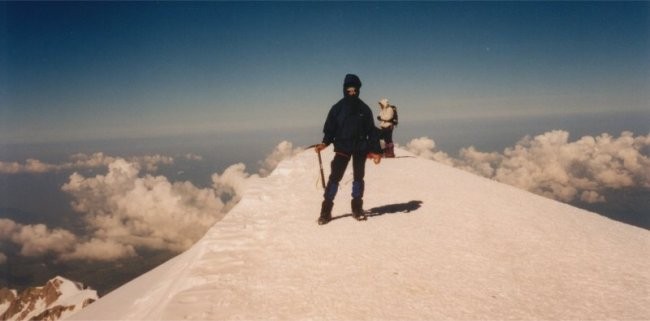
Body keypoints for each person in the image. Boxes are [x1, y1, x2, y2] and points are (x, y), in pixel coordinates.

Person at [314, 74, 382, 225]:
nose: (352, 93)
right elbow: (330, 129)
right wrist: (325, 143)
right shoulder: (337, 108)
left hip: (360, 148)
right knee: (335, 178)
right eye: (349, 90)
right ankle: (325, 211)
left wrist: (376, 151)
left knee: (358, 177)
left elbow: (371, 131)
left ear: (358, 90)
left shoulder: (364, 109)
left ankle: (357, 209)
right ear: (344, 90)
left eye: (354, 90)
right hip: (342, 147)